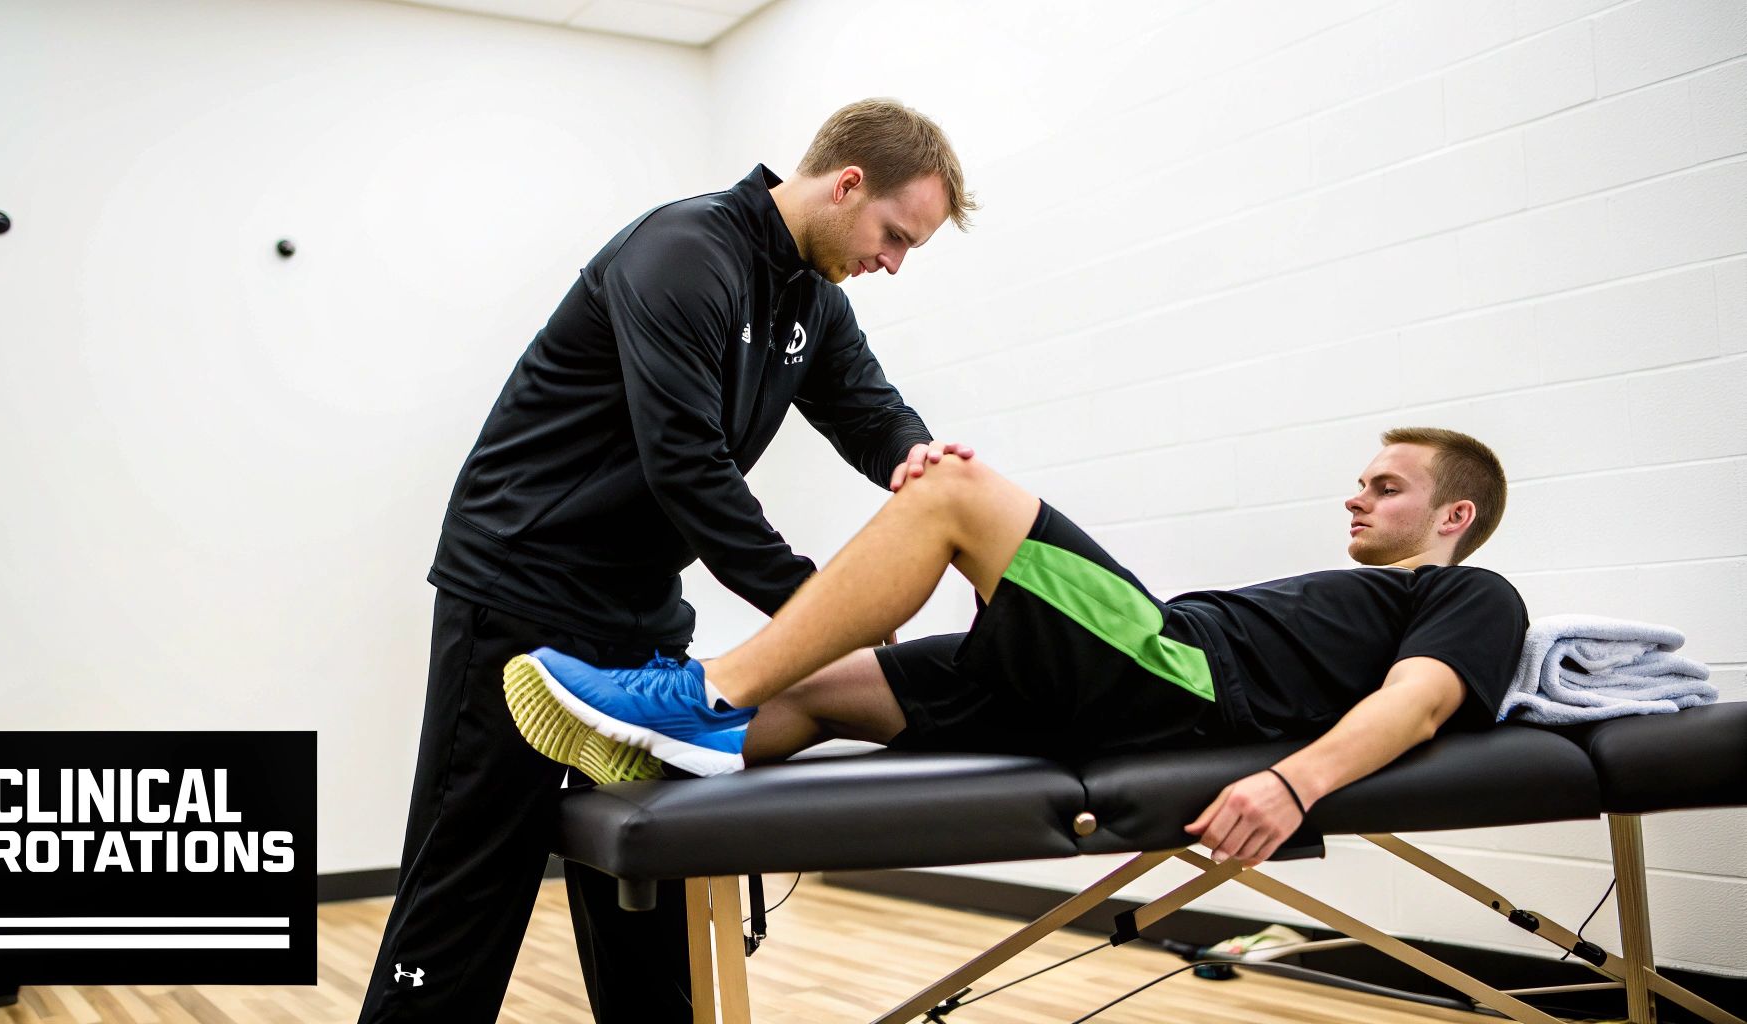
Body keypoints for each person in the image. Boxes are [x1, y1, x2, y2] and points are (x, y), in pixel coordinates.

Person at [359, 99, 978, 1024]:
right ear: (847, 184)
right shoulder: (686, 251)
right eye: (895, 236)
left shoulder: (812, 297)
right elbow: (687, 466)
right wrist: (820, 607)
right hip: (520, 590)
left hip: (638, 613)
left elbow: (867, 407)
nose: (891, 262)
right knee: (472, 881)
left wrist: (916, 462)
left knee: (648, 879)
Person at [510, 427, 1528, 867]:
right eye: (1360, 479)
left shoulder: (1471, 592)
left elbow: (1420, 701)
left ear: (1455, 515)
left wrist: (1292, 785)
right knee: (824, 687)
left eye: (1385, 486)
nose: (1355, 493)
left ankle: (699, 693)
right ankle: (637, 749)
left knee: (955, 488)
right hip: (1111, 683)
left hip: (1177, 674)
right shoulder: (1346, 588)